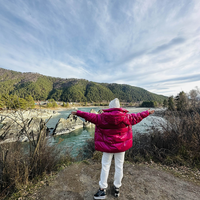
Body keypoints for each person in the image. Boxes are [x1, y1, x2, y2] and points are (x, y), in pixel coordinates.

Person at [71, 98, 154, 199]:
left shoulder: (102, 117)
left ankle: (102, 190)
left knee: (105, 166)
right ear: (119, 107)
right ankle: (117, 188)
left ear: (110, 107)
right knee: (119, 166)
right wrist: (148, 112)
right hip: (121, 147)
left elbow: (89, 116)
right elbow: (138, 116)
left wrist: (78, 112)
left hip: (107, 147)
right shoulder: (127, 117)